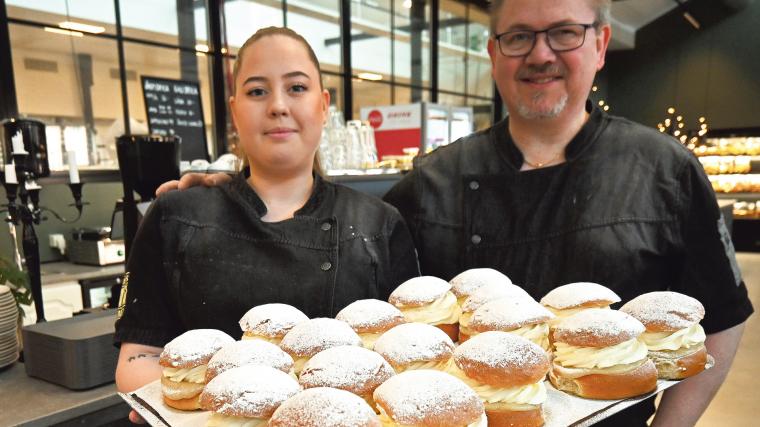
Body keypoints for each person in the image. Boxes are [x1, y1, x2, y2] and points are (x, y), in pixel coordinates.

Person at [166, 1, 753, 425]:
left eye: (564, 33)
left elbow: (721, 315)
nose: (541, 54)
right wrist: (236, 194)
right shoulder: (433, 178)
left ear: (600, 44)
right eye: (519, 36)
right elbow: (332, 223)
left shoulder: (666, 168)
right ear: (494, 54)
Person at [114, 27, 419, 423]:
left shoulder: (378, 224)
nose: (277, 105)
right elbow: (139, 356)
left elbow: (406, 362)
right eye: (257, 91)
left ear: (323, 105)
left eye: (296, 88)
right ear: (235, 110)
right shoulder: (176, 216)